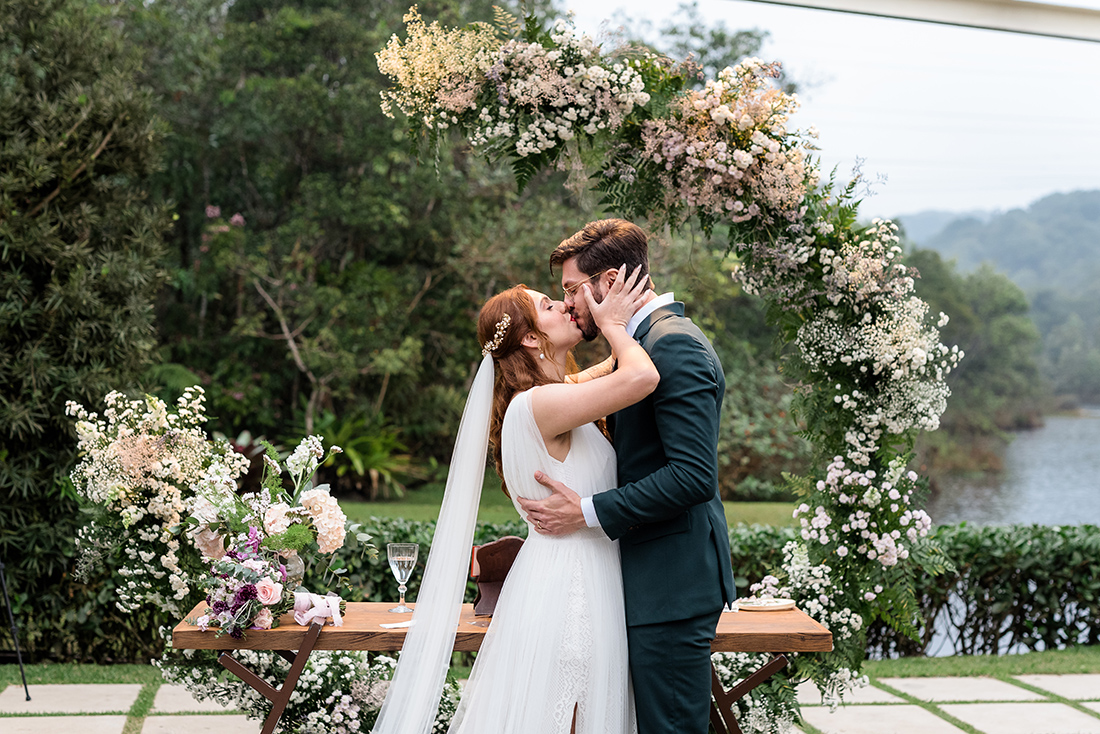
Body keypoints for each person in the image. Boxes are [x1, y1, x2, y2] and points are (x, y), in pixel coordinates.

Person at [372, 265, 657, 734]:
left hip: (569, 580)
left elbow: (597, 375)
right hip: (571, 594)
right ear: (528, 339)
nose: (566, 304)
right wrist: (613, 326)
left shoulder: (547, 397)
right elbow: (640, 377)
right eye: (549, 305)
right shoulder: (540, 406)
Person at [519, 219, 737, 734]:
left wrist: (587, 512)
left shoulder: (672, 345)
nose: (568, 302)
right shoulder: (641, 345)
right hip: (649, 582)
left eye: (573, 289)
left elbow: (692, 476)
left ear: (610, 281)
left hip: (671, 584)